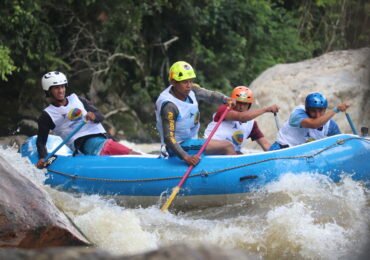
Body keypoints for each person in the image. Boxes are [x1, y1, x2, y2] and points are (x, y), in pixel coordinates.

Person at [36, 71, 140, 169]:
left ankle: (141, 158)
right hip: (83, 143)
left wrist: (94, 116)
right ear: (49, 90)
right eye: (56, 88)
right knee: (106, 146)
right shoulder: (47, 115)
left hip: (102, 137)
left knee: (117, 148)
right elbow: (41, 141)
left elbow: (100, 116)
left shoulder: (78, 99)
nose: (61, 91)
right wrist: (43, 157)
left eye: (62, 86)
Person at [155, 61, 237, 166]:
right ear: (173, 82)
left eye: (190, 81)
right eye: (185, 82)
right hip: (178, 147)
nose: (189, 85)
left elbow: (210, 96)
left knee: (228, 147)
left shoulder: (191, 90)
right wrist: (186, 157)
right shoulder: (169, 106)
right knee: (227, 146)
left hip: (191, 142)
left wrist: (225, 99)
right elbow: (169, 138)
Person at [204, 86, 279, 153]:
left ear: (249, 105)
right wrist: (266, 109)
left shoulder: (252, 125)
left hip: (227, 155)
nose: (241, 107)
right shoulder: (225, 109)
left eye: (244, 104)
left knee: (239, 153)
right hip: (207, 147)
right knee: (228, 146)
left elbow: (265, 145)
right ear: (233, 102)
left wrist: (278, 154)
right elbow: (242, 117)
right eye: (239, 103)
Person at [269, 92, 350, 150]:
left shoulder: (330, 125)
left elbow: (341, 142)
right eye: (313, 111)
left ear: (325, 109)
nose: (317, 115)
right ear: (307, 109)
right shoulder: (298, 113)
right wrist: (336, 110)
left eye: (321, 111)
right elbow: (314, 124)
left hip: (302, 156)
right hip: (281, 149)